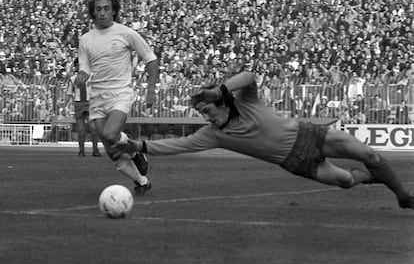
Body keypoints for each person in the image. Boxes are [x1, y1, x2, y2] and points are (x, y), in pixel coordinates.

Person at [111, 70, 414, 210]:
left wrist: (222, 88)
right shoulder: (214, 135)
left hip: (310, 136)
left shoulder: (246, 102)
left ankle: (402, 197)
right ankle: (370, 179)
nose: (206, 117)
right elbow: (177, 145)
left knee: (370, 155)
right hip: (294, 163)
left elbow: (250, 76)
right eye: (202, 113)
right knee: (348, 181)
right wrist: (137, 147)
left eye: (207, 110)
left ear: (221, 102)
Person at [75, 0, 158, 195]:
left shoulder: (126, 33)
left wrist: (150, 91)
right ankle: (141, 181)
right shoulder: (85, 39)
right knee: (112, 151)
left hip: (120, 93)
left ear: (114, 11)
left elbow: (151, 59)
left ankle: (136, 151)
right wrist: (82, 75)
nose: (102, 13)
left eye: (106, 8)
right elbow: (84, 66)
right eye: (98, 9)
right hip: (97, 96)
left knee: (110, 134)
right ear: (92, 12)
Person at [64, 58, 101, 157]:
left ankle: (95, 150)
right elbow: (69, 93)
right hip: (78, 104)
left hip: (90, 103)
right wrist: (64, 106)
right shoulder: (73, 79)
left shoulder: (92, 77)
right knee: (81, 130)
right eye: (78, 65)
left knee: (93, 128)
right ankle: (81, 151)